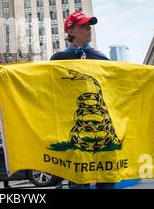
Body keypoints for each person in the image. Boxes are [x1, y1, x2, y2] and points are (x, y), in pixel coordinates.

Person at [50, 10, 113, 190]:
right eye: (83, 25)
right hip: (72, 125)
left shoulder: (102, 58)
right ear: (71, 31)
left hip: (101, 125)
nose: (89, 28)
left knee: (107, 177)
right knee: (79, 179)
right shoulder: (58, 59)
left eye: (89, 25)